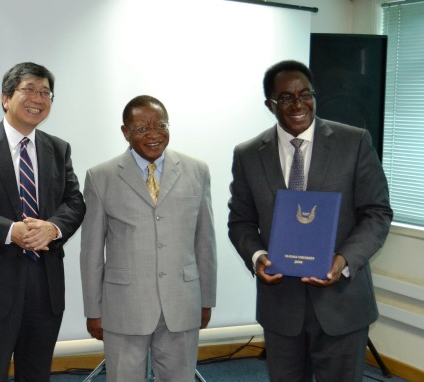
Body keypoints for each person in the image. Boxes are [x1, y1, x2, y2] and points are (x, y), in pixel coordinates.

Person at [227, 60, 393, 381]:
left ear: (314, 96)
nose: (298, 104)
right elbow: (241, 221)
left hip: (342, 304)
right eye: (286, 98)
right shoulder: (248, 154)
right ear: (269, 104)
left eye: (305, 94)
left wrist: (344, 260)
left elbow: (377, 212)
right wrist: (258, 257)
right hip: (281, 308)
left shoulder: (354, 142)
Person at [80, 95, 217, 382]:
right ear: (125, 132)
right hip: (124, 306)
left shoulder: (197, 171)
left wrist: (207, 300)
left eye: (160, 125)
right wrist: (93, 310)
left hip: (182, 301)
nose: (153, 135)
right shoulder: (100, 177)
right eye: (141, 128)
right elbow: (91, 251)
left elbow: (205, 241)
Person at [0, 62, 86, 382]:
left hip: (45, 286)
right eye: (29, 90)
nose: (38, 97)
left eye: (45, 92)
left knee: (36, 374)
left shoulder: (58, 149)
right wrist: (9, 231)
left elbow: (74, 202)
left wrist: (53, 228)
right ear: (6, 98)